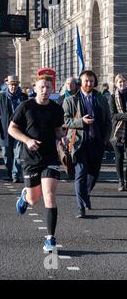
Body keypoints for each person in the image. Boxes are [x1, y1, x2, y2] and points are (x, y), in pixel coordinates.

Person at [8, 75, 66, 252]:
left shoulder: (56, 109)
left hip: (50, 157)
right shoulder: (25, 106)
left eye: (48, 87)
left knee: (49, 195)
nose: (45, 90)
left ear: (52, 89)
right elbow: (12, 128)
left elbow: (57, 129)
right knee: (34, 199)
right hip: (31, 158)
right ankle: (25, 197)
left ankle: (50, 238)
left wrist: (62, 137)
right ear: (35, 88)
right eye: (42, 87)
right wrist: (27, 140)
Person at [63, 70, 112, 218]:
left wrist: (105, 138)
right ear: (81, 83)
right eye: (86, 81)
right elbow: (65, 121)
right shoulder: (71, 100)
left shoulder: (101, 99)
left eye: (91, 81)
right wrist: (81, 121)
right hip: (79, 143)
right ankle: (80, 207)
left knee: (93, 174)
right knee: (81, 173)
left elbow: (108, 121)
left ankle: (85, 195)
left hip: (97, 142)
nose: (89, 83)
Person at [0, 75, 27, 183]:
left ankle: (15, 174)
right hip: (5, 129)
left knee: (17, 153)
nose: (13, 87)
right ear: (7, 85)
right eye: (11, 85)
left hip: (19, 129)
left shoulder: (23, 97)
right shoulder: (1, 96)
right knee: (6, 154)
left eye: (15, 85)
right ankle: (8, 172)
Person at [109, 74, 127, 191]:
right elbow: (113, 115)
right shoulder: (112, 97)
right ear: (116, 84)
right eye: (119, 82)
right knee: (119, 157)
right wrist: (126, 116)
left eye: (124, 81)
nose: (122, 83)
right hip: (117, 131)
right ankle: (121, 181)